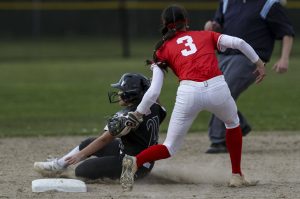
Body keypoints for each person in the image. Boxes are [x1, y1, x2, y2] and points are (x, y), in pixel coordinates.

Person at [119, 4, 266, 191]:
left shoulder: (161, 49)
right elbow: (239, 43)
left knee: (170, 147)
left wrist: (138, 113)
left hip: (188, 93)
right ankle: (236, 175)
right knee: (232, 123)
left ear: (164, 24)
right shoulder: (205, 35)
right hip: (217, 87)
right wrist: (259, 63)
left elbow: (154, 91)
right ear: (186, 22)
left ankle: (134, 162)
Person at [33, 73, 167, 181]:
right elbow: (154, 97)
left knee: (82, 171)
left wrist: (80, 155)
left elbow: (104, 139)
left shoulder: (128, 116)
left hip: (131, 165)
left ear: (131, 95)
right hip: (144, 160)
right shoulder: (156, 107)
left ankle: (127, 177)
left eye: (122, 91)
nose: (119, 94)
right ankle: (59, 165)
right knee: (88, 143)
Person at [203, 0, 294, 153]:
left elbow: (286, 32)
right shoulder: (226, 2)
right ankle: (240, 125)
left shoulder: (268, 4)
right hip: (224, 55)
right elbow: (217, 25)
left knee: (223, 92)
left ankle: (218, 140)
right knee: (208, 91)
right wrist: (211, 27)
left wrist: (284, 58)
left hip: (250, 58)